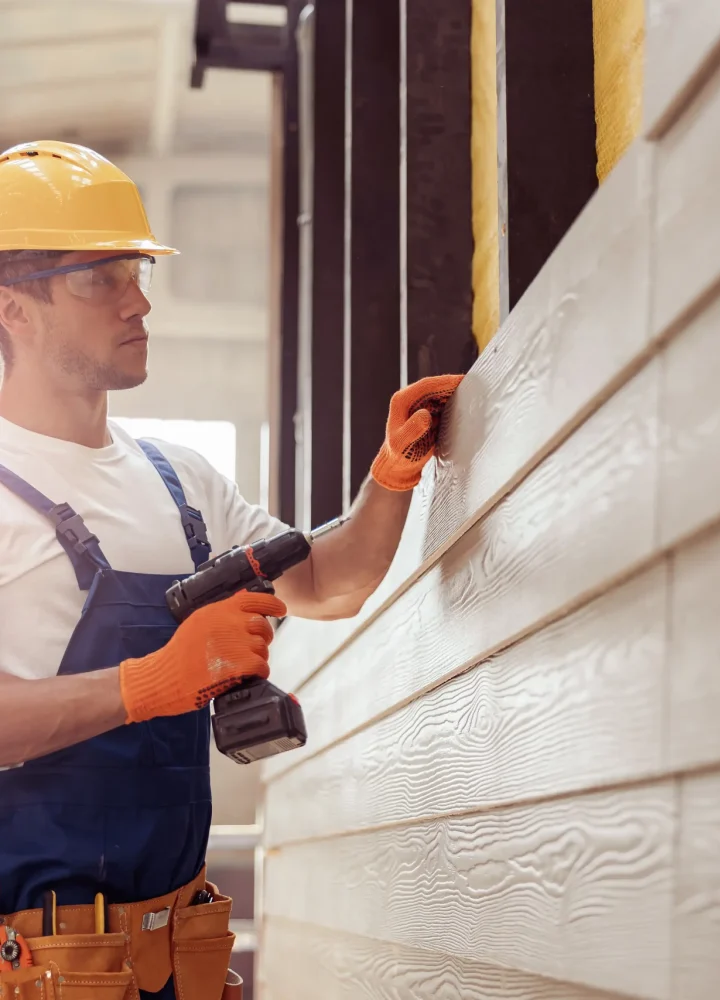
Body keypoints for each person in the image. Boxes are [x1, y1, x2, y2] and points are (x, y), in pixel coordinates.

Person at [0, 140, 462, 999]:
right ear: (14, 308)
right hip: (40, 969)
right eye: (100, 277)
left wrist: (394, 475)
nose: (139, 300)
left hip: (178, 957)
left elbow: (327, 583)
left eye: (137, 271)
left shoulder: (181, 481)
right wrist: (155, 681)